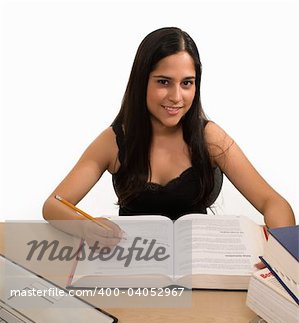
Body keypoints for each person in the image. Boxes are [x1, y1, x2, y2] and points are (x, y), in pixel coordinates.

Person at [42, 27, 295, 248]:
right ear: (142, 82)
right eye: (164, 82)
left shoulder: (210, 137)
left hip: (200, 274)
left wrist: (279, 254)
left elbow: (274, 203)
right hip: (134, 270)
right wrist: (87, 227)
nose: (176, 96)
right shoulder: (113, 141)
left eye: (187, 83)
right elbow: (53, 206)